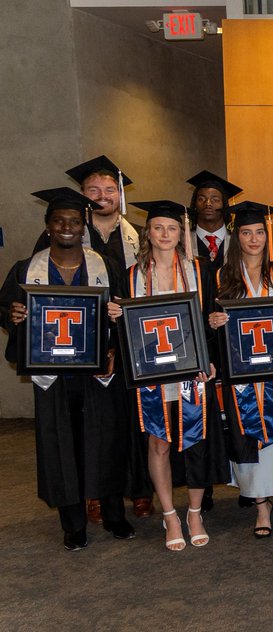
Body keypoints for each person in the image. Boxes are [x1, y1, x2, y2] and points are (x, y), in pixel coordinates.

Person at [1, 188, 135, 551]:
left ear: (83, 226)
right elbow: (6, 309)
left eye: (74, 221)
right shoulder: (26, 269)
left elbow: (125, 309)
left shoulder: (106, 266)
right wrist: (14, 315)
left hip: (98, 372)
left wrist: (119, 316)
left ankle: (114, 514)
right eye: (59, 221)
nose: (66, 227)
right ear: (47, 225)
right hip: (53, 376)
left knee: (106, 441)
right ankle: (73, 523)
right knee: (61, 445)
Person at [109, 200, 224, 551]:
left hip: (191, 368)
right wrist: (115, 315)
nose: (165, 234)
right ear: (148, 233)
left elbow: (210, 317)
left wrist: (213, 345)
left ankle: (195, 513)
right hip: (152, 372)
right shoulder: (131, 275)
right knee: (158, 441)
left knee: (195, 438)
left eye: (172, 228)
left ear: (181, 233)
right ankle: (170, 515)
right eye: (158, 228)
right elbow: (125, 329)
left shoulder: (199, 270)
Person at [54, 156, 152, 520]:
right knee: (92, 420)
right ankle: (94, 493)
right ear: (82, 194)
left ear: (120, 194)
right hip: (85, 343)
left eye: (110, 189)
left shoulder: (140, 234)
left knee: (136, 417)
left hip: (133, 340)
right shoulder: (68, 234)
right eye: (93, 190)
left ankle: (139, 489)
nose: (102, 196)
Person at [209, 201, 273, 539]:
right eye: (246, 233)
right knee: (247, 437)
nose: (254, 239)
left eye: (260, 232)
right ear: (237, 237)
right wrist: (214, 322)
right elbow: (208, 322)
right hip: (241, 374)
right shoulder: (222, 275)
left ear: (268, 235)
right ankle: (261, 505)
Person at [188, 170, 243, 269]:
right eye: (201, 199)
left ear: (224, 205)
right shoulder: (183, 242)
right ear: (194, 205)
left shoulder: (239, 242)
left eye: (215, 200)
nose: (208, 203)